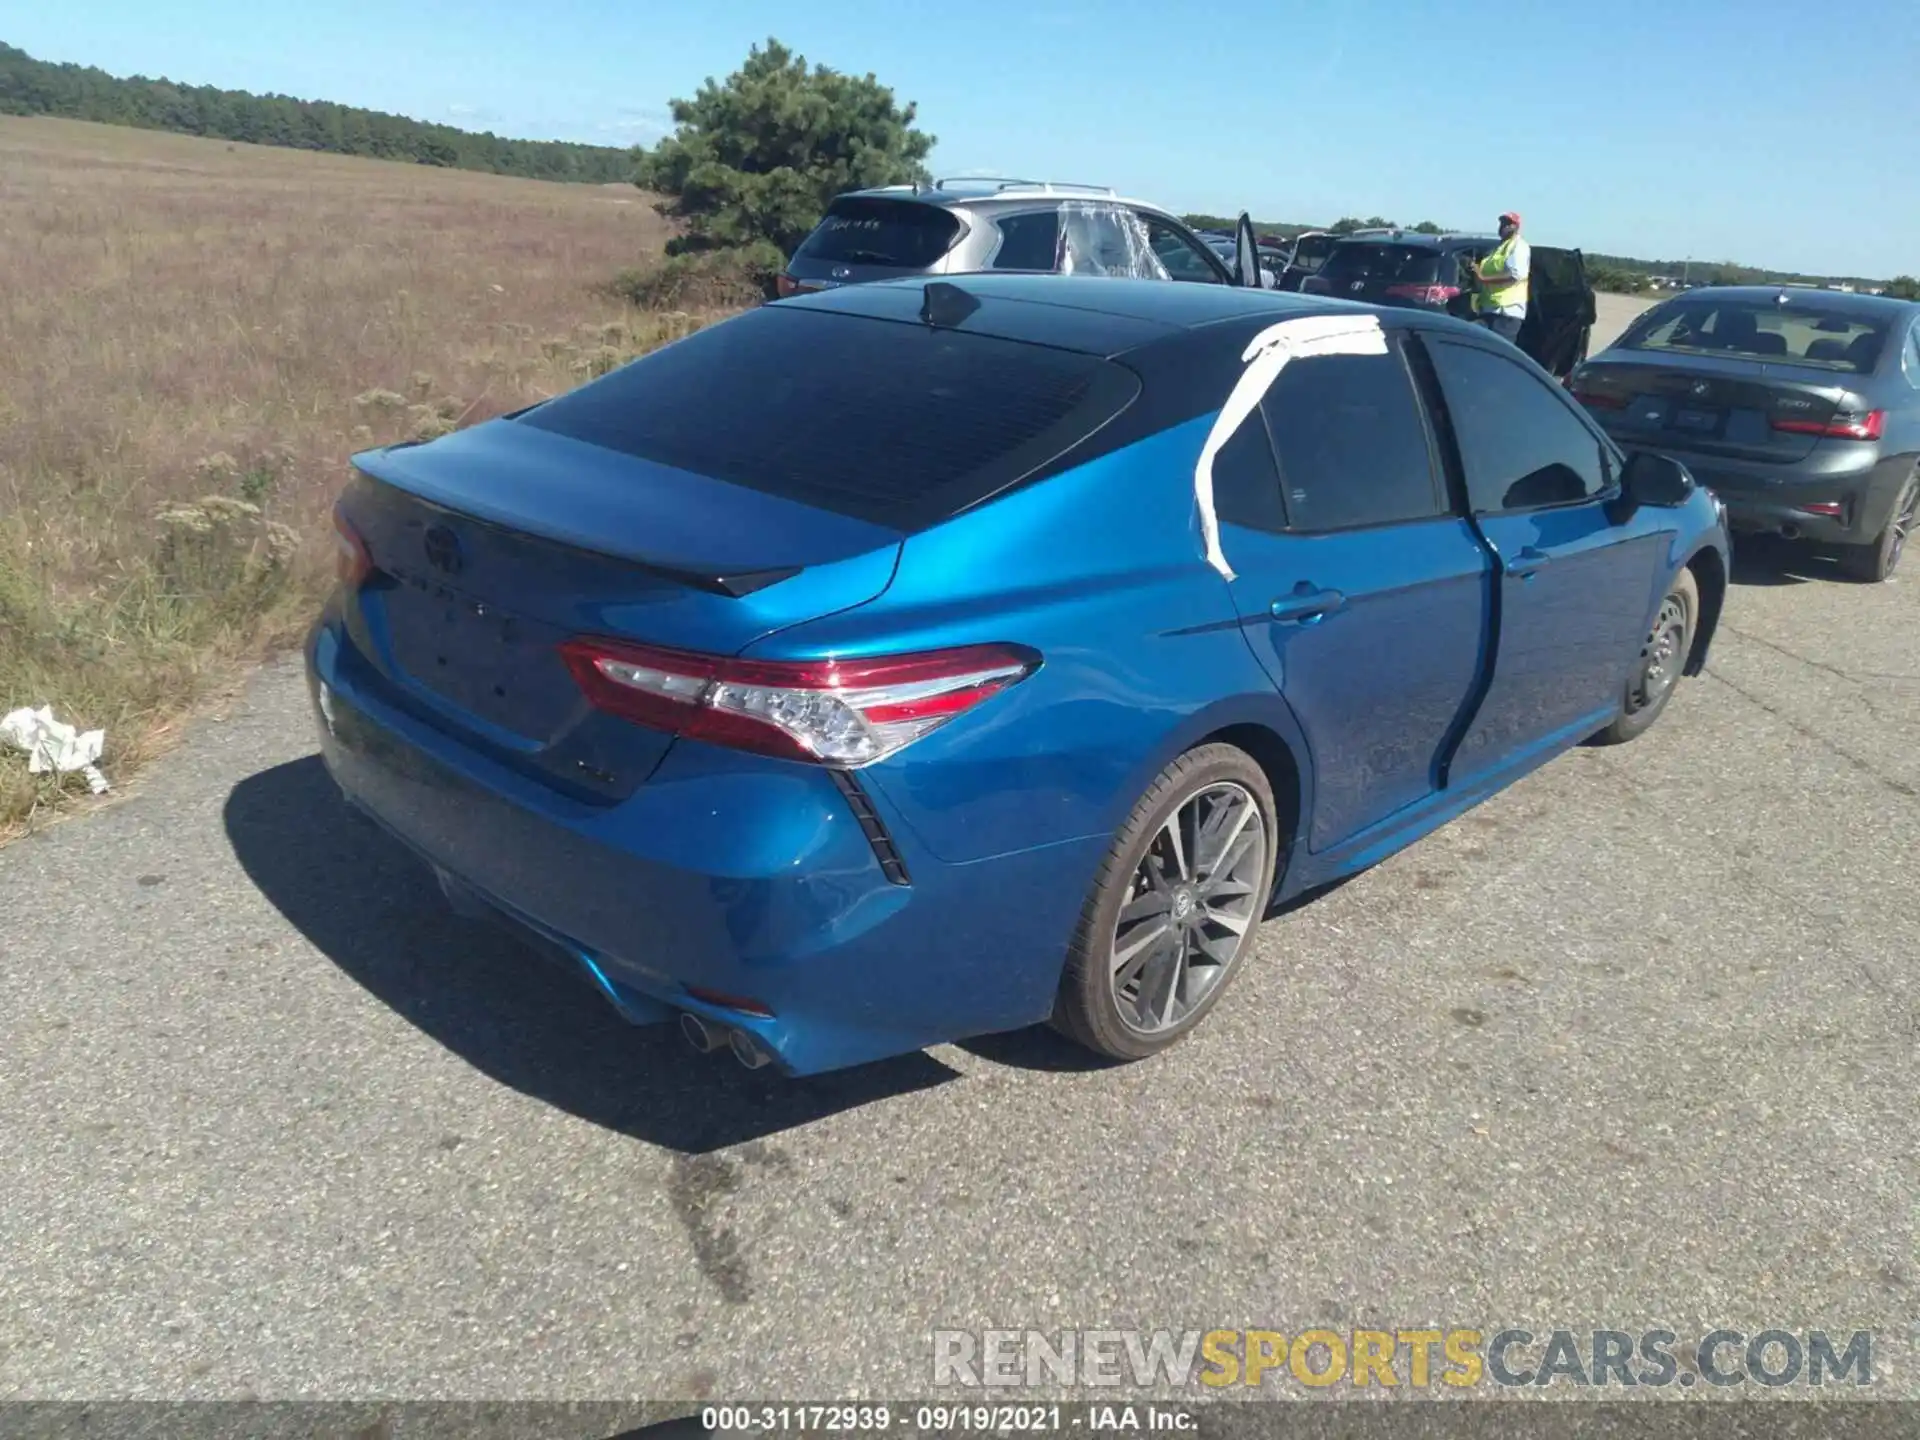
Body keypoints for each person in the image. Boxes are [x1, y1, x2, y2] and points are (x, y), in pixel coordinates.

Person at [1472, 211, 1531, 343]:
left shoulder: (1518, 246)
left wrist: (1482, 278)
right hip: (1490, 309)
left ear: (1516, 227)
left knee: (1497, 355)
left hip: (1506, 312)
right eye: (1502, 223)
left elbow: (1515, 275)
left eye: (1508, 224)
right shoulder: (1497, 249)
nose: (1503, 226)